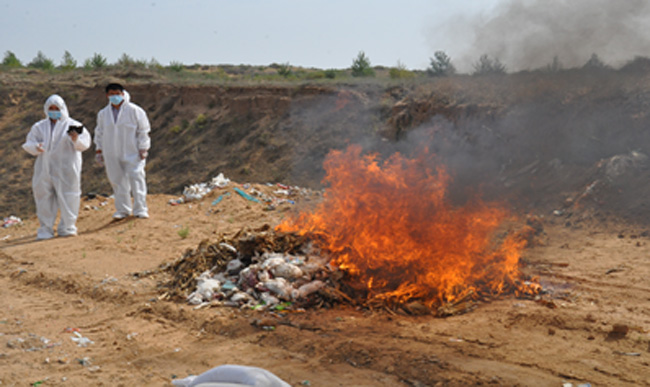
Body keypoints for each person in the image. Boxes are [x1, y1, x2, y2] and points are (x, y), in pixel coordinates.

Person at [22, 94, 91, 240]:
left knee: (69, 197)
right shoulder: (39, 127)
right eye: (51, 108)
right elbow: (28, 144)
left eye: (56, 108)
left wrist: (75, 139)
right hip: (44, 168)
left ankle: (67, 227)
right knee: (44, 198)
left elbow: (84, 145)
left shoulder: (74, 125)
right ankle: (45, 229)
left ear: (63, 108)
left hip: (67, 168)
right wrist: (36, 147)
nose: (54, 111)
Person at [94, 83, 151, 219]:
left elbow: (143, 130)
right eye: (112, 94)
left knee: (136, 178)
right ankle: (123, 210)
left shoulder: (135, 111)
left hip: (132, 151)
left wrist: (143, 147)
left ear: (123, 93)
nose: (115, 96)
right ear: (107, 95)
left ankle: (140, 209)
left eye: (117, 93)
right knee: (117, 181)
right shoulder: (103, 114)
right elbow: (99, 132)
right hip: (111, 153)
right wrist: (99, 150)